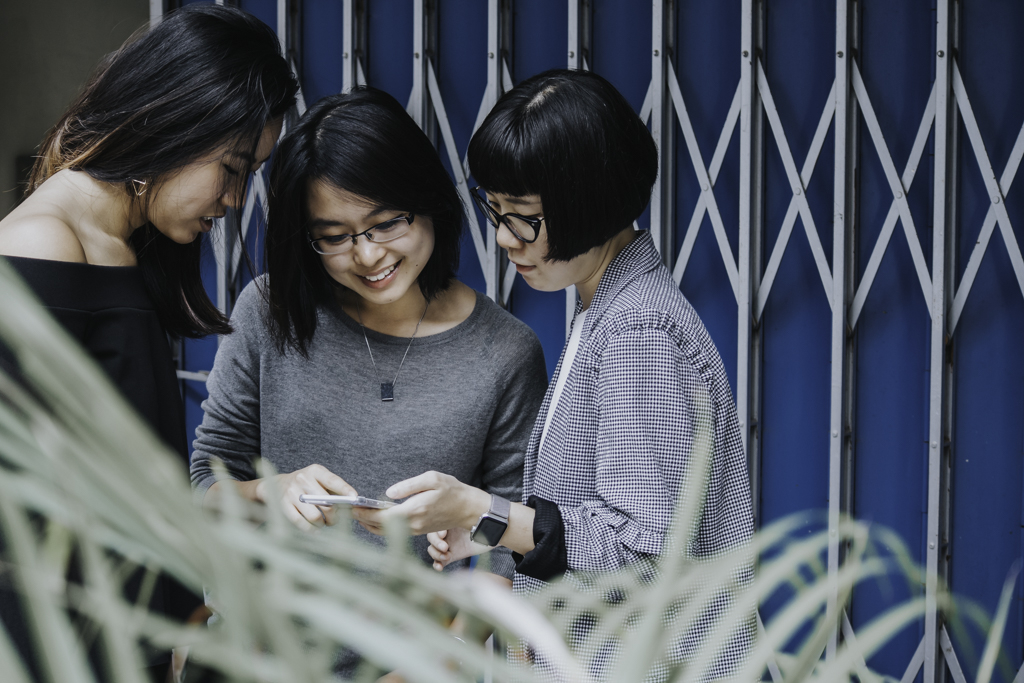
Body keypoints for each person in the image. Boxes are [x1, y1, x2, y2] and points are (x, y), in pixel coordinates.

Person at [356, 69, 756, 680]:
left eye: (525, 218)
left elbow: (642, 561)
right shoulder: (610, 310)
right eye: (495, 211)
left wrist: (475, 507)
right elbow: (587, 525)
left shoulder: (638, 336)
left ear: (588, 203)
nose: (505, 239)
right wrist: (489, 527)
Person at [188, 87, 547, 677]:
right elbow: (207, 481)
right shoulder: (268, 310)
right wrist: (265, 495)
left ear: (428, 200)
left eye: (386, 222)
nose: (366, 255)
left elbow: (505, 547)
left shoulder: (505, 352)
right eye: (333, 235)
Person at [0, 5, 298, 680]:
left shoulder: (120, 246)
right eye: (231, 167)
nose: (234, 198)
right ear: (172, 120)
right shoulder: (44, 242)